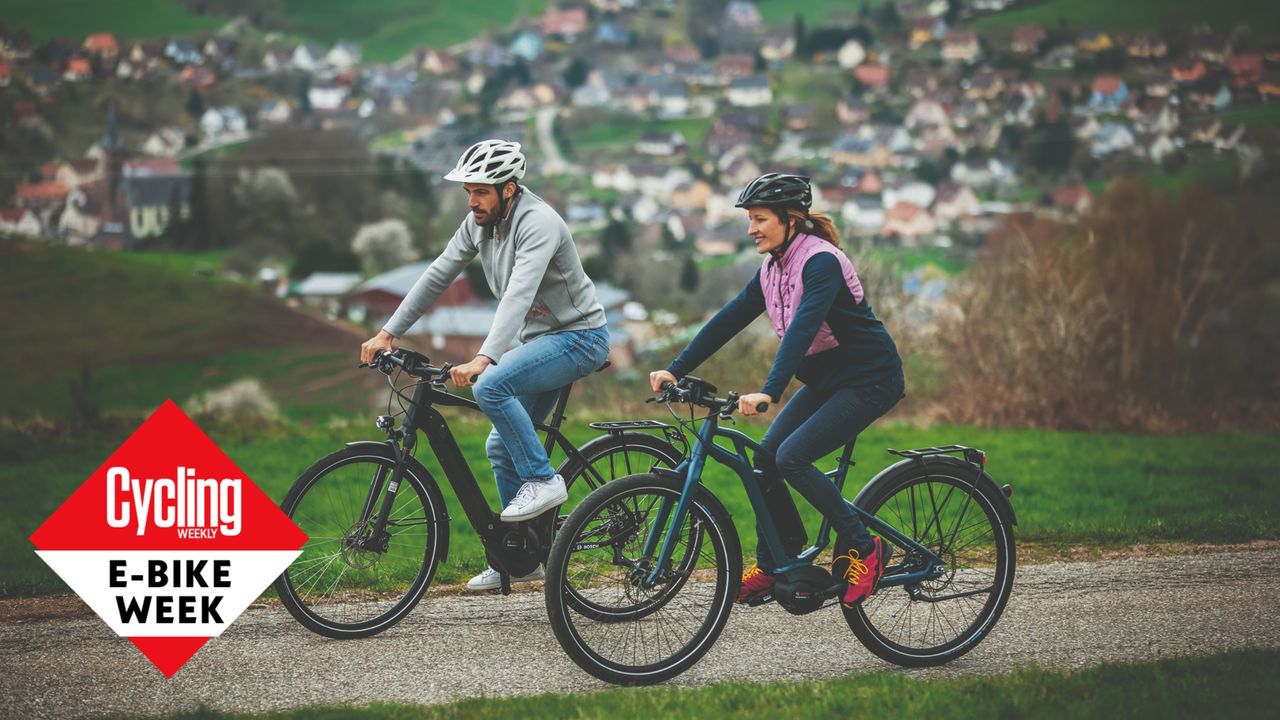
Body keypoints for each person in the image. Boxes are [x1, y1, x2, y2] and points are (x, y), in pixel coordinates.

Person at [361, 139, 611, 591]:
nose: (472, 201)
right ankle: (518, 555)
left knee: (490, 386)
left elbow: (518, 292)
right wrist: (388, 331)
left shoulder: (539, 223)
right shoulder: (482, 223)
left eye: (481, 192)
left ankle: (542, 479)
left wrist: (485, 357)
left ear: (509, 190)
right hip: (538, 342)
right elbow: (439, 272)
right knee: (499, 447)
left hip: (579, 339)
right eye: (468, 192)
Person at [649, 173, 905, 608]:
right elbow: (729, 319)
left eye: (760, 218)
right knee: (767, 458)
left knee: (792, 457)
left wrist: (770, 390)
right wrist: (675, 369)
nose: (751, 229)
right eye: (750, 218)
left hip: (869, 379)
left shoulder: (820, 262)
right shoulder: (772, 267)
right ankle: (777, 564)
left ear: (791, 219)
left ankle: (865, 547)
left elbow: (803, 329)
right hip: (828, 381)